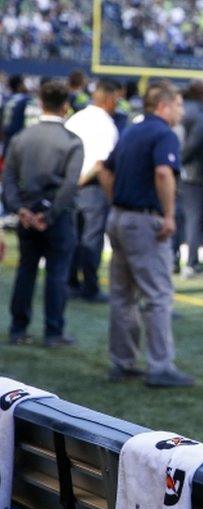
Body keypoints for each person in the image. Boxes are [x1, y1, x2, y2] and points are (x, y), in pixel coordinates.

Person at [100, 81, 194, 388]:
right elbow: (164, 172)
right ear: (164, 106)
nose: (181, 110)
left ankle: (123, 362)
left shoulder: (132, 130)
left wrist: (116, 199)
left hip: (119, 217)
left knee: (122, 295)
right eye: (178, 104)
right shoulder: (164, 133)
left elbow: (104, 169)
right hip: (143, 221)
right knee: (157, 295)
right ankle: (160, 366)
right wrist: (167, 215)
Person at [2, 80, 83, 347]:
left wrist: (19, 209)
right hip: (56, 217)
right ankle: (53, 331)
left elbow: (9, 178)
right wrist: (48, 215)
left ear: (40, 103)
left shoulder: (21, 138)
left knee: (26, 271)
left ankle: (18, 328)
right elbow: (70, 185)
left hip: (26, 213)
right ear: (65, 106)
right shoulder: (71, 141)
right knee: (57, 274)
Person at [65, 79, 121, 303]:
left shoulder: (76, 118)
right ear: (108, 99)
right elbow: (100, 164)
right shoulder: (105, 124)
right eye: (116, 98)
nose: (118, 103)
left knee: (73, 236)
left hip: (69, 186)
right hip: (91, 187)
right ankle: (90, 286)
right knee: (91, 238)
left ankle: (70, 283)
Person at [174, 79, 203, 276]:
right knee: (194, 218)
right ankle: (191, 262)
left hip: (175, 170)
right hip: (194, 172)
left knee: (177, 216)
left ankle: (173, 259)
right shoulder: (201, 112)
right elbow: (195, 142)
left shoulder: (181, 107)